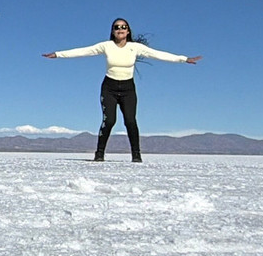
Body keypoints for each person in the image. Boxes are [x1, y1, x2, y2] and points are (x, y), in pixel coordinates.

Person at [43, 18, 202, 162]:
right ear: (112, 31)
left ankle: (136, 155)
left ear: (128, 31)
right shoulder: (106, 46)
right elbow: (83, 51)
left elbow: (158, 54)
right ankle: (99, 154)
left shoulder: (135, 47)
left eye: (123, 27)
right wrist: (58, 54)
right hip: (109, 88)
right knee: (109, 120)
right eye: (116, 27)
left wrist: (184, 59)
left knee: (130, 121)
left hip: (128, 89)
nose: (120, 29)